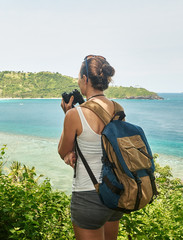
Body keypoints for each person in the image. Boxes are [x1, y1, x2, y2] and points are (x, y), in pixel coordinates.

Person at [58, 55, 123, 240]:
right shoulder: (118, 109)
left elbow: (63, 151)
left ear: (85, 79)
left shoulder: (75, 115)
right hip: (114, 192)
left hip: (88, 195)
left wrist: (67, 115)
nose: (78, 82)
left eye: (79, 77)